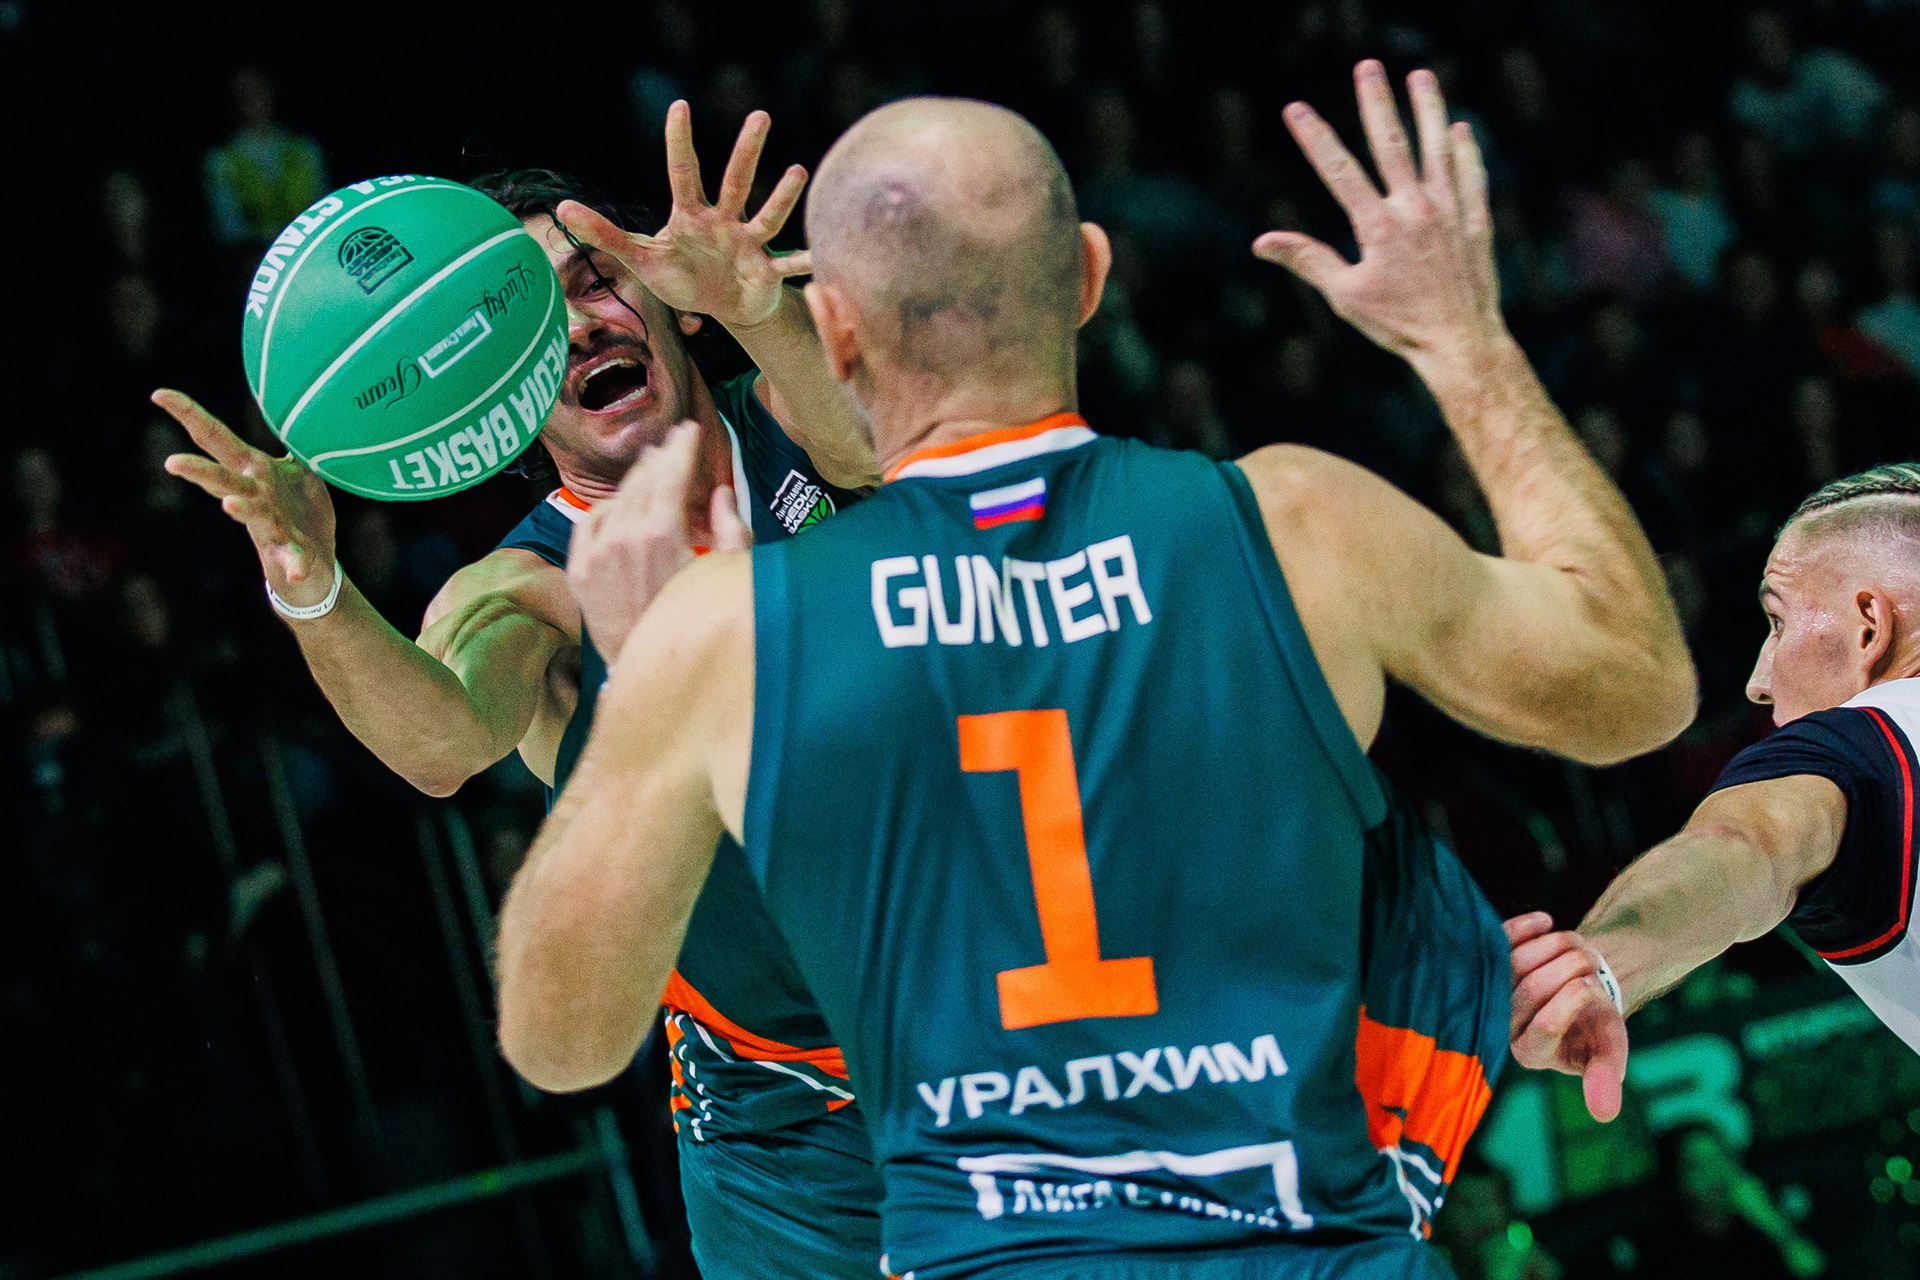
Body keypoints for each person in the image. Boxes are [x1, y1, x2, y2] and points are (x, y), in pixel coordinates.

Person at [497, 63, 1693, 1278]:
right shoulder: (1296, 526)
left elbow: (560, 1040)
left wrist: (634, 687)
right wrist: (1464, 343)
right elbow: (1639, 686)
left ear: (838, 332)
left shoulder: (740, 630)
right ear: (1087, 278)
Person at [159, 104, 892, 1280]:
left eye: (596, 279)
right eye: (526, 322)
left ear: (670, 297)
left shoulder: (798, 410)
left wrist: (758, 305)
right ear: (494, 396)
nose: (578, 322)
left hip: (1007, 1009)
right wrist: (312, 583)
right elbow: (443, 741)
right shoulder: (526, 588)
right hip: (791, 1129)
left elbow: (872, 447)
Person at [1508, 461, 1920, 1122]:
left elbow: (1744, 848)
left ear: (1868, 627)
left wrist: (1602, 967)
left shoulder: (1864, 745)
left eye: (1778, 622)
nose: (1759, 680)